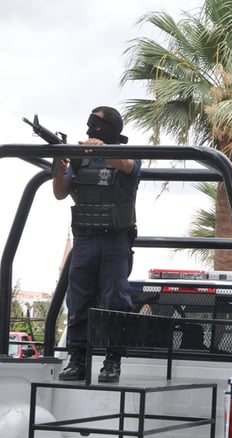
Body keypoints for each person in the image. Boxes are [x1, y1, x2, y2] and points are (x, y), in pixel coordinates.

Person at [53, 106, 141, 383]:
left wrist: (101, 150)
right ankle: (77, 357)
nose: (92, 130)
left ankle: (112, 360)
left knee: (115, 299)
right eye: (91, 125)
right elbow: (59, 192)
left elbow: (126, 165)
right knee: (78, 300)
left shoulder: (129, 155)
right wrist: (60, 167)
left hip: (115, 240)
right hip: (85, 239)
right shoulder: (81, 159)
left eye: (99, 125)